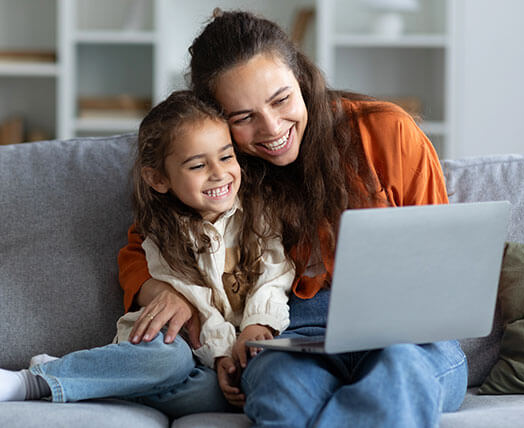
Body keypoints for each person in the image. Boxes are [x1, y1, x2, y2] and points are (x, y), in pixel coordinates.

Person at [118, 9, 468, 427]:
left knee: (399, 373)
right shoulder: (223, 168)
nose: (271, 128)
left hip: (405, 334)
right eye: (243, 118)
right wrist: (163, 288)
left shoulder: (386, 131)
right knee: (280, 389)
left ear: (301, 78)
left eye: (281, 99)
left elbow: (445, 254)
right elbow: (146, 240)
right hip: (293, 331)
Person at [0, 90, 294, 416]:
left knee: (216, 393)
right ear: (158, 178)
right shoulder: (163, 232)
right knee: (169, 359)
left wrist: (258, 325)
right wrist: (222, 353)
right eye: (198, 165)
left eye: (226, 157)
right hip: (175, 345)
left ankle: (96, 375)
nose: (218, 173)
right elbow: (195, 303)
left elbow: (275, 273)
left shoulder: (260, 213)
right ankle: (34, 381)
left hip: (213, 365)